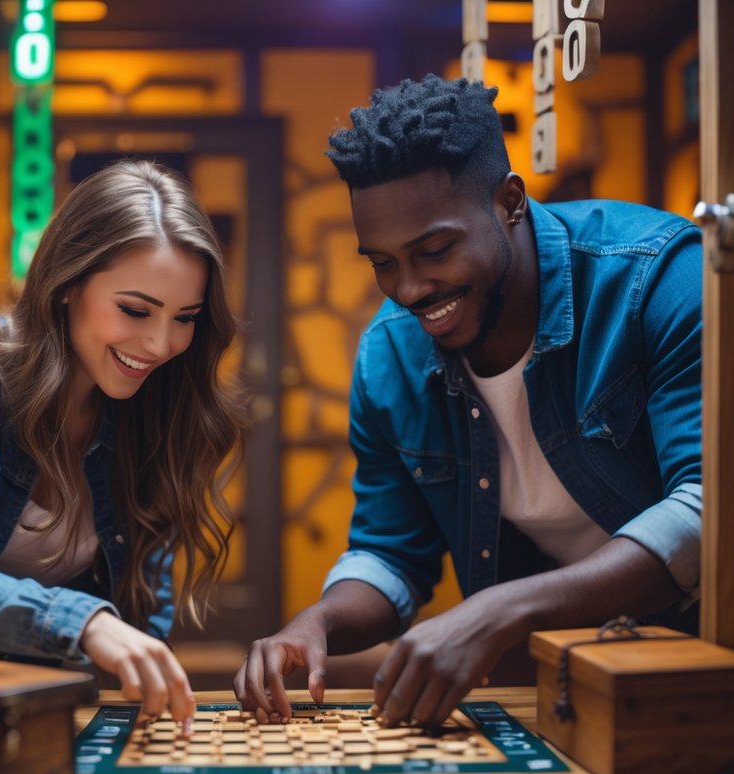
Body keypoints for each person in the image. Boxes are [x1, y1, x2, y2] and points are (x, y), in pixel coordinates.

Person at [235, 75, 702, 728]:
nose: (409, 289)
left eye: (434, 250)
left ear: (508, 200)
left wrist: (499, 609)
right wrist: (318, 621)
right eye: (381, 263)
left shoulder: (655, 278)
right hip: (534, 682)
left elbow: (704, 510)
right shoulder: (387, 358)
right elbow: (392, 553)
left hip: (687, 665)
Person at [0, 159, 244, 726]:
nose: (159, 343)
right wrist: (81, 621)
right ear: (68, 283)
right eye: (134, 310)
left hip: (50, 721)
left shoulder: (156, 406)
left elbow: (145, 615)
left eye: (186, 317)